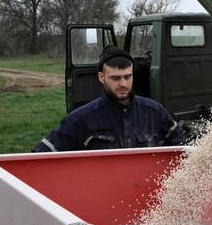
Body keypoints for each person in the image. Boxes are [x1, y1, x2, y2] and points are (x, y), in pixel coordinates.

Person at [33, 46, 184, 152]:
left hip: (145, 187)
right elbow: (40, 156)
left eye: (127, 77)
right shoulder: (80, 119)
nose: (123, 83)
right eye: (115, 78)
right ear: (101, 77)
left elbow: (179, 142)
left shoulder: (154, 111)